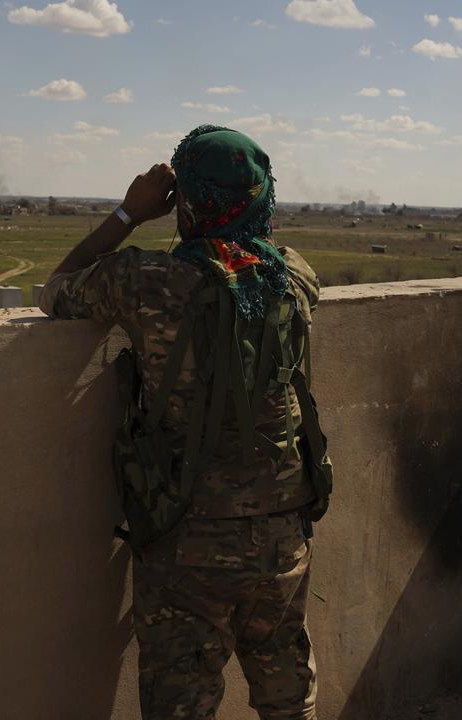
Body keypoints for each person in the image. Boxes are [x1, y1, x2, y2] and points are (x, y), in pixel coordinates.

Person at [40, 125, 332, 720]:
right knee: (287, 697)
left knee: (181, 702)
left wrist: (130, 212)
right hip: (284, 529)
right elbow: (256, 260)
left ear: (186, 202)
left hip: (186, 534)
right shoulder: (294, 277)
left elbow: (56, 290)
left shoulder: (146, 281)